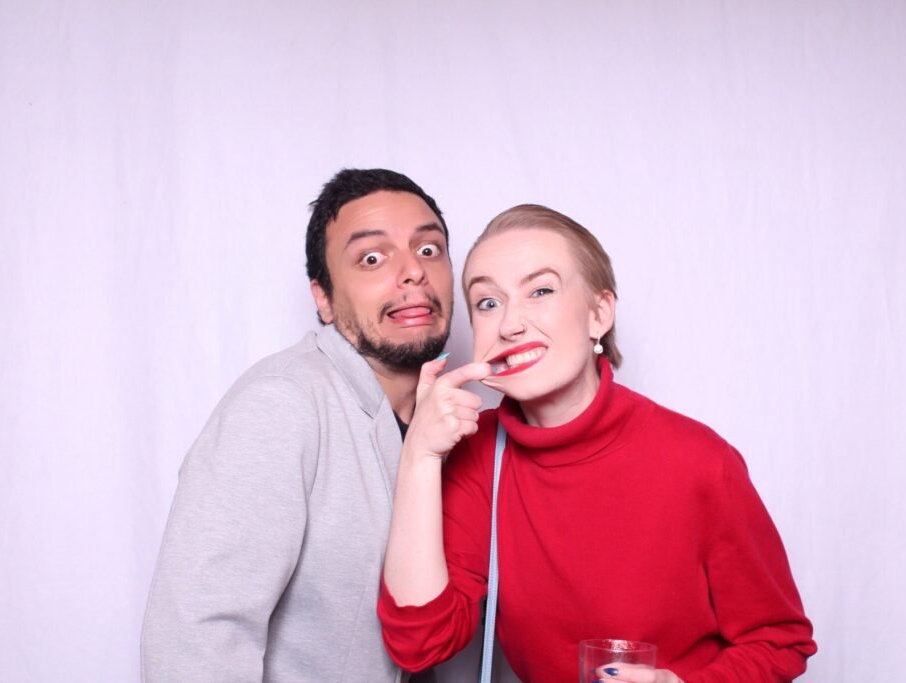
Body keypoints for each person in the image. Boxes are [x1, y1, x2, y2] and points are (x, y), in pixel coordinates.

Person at [378, 204, 817, 682]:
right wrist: (420, 456)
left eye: (540, 290)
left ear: (598, 313)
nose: (509, 324)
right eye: (488, 302)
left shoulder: (701, 462)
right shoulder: (476, 454)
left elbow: (780, 640)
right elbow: (421, 643)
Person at [141, 168, 461, 682]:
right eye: (372, 258)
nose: (412, 273)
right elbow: (194, 640)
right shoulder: (281, 405)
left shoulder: (456, 423)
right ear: (324, 298)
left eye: (428, 250)